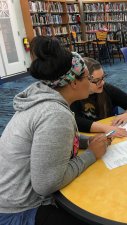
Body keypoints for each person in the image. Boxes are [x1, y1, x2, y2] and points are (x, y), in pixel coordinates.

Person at [0, 36, 111, 225]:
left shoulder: (45, 96)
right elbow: (46, 184)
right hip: (19, 209)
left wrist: (85, 142)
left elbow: (47, 141)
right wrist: (91, 154)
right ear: (73, 83)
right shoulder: (55, 115)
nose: (91, 83)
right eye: (86, 77)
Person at [71, 57, 127, 137]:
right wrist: (105, 128)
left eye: (103, 78)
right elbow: (76, 121)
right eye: (97, 80)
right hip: (89, 138)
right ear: (83, 80)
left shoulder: (106, 89)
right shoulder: (75, 96)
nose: (102, 83)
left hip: (110, 135)